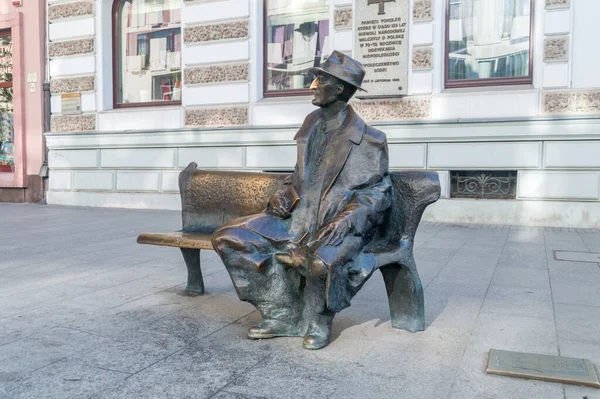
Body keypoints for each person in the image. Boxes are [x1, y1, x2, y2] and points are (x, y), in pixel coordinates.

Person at [212, 50, 392, 350]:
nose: (312, 85)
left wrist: (345, 219)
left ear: (340, 89)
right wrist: (283, 194)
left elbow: (377, 193)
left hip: (336, 225)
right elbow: (296, 176)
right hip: (295, 219)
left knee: (319, 262)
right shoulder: (310, 124)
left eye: (320, 78)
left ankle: (318, 319)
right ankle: (282, 313)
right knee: (229, 238)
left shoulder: (370, 140)